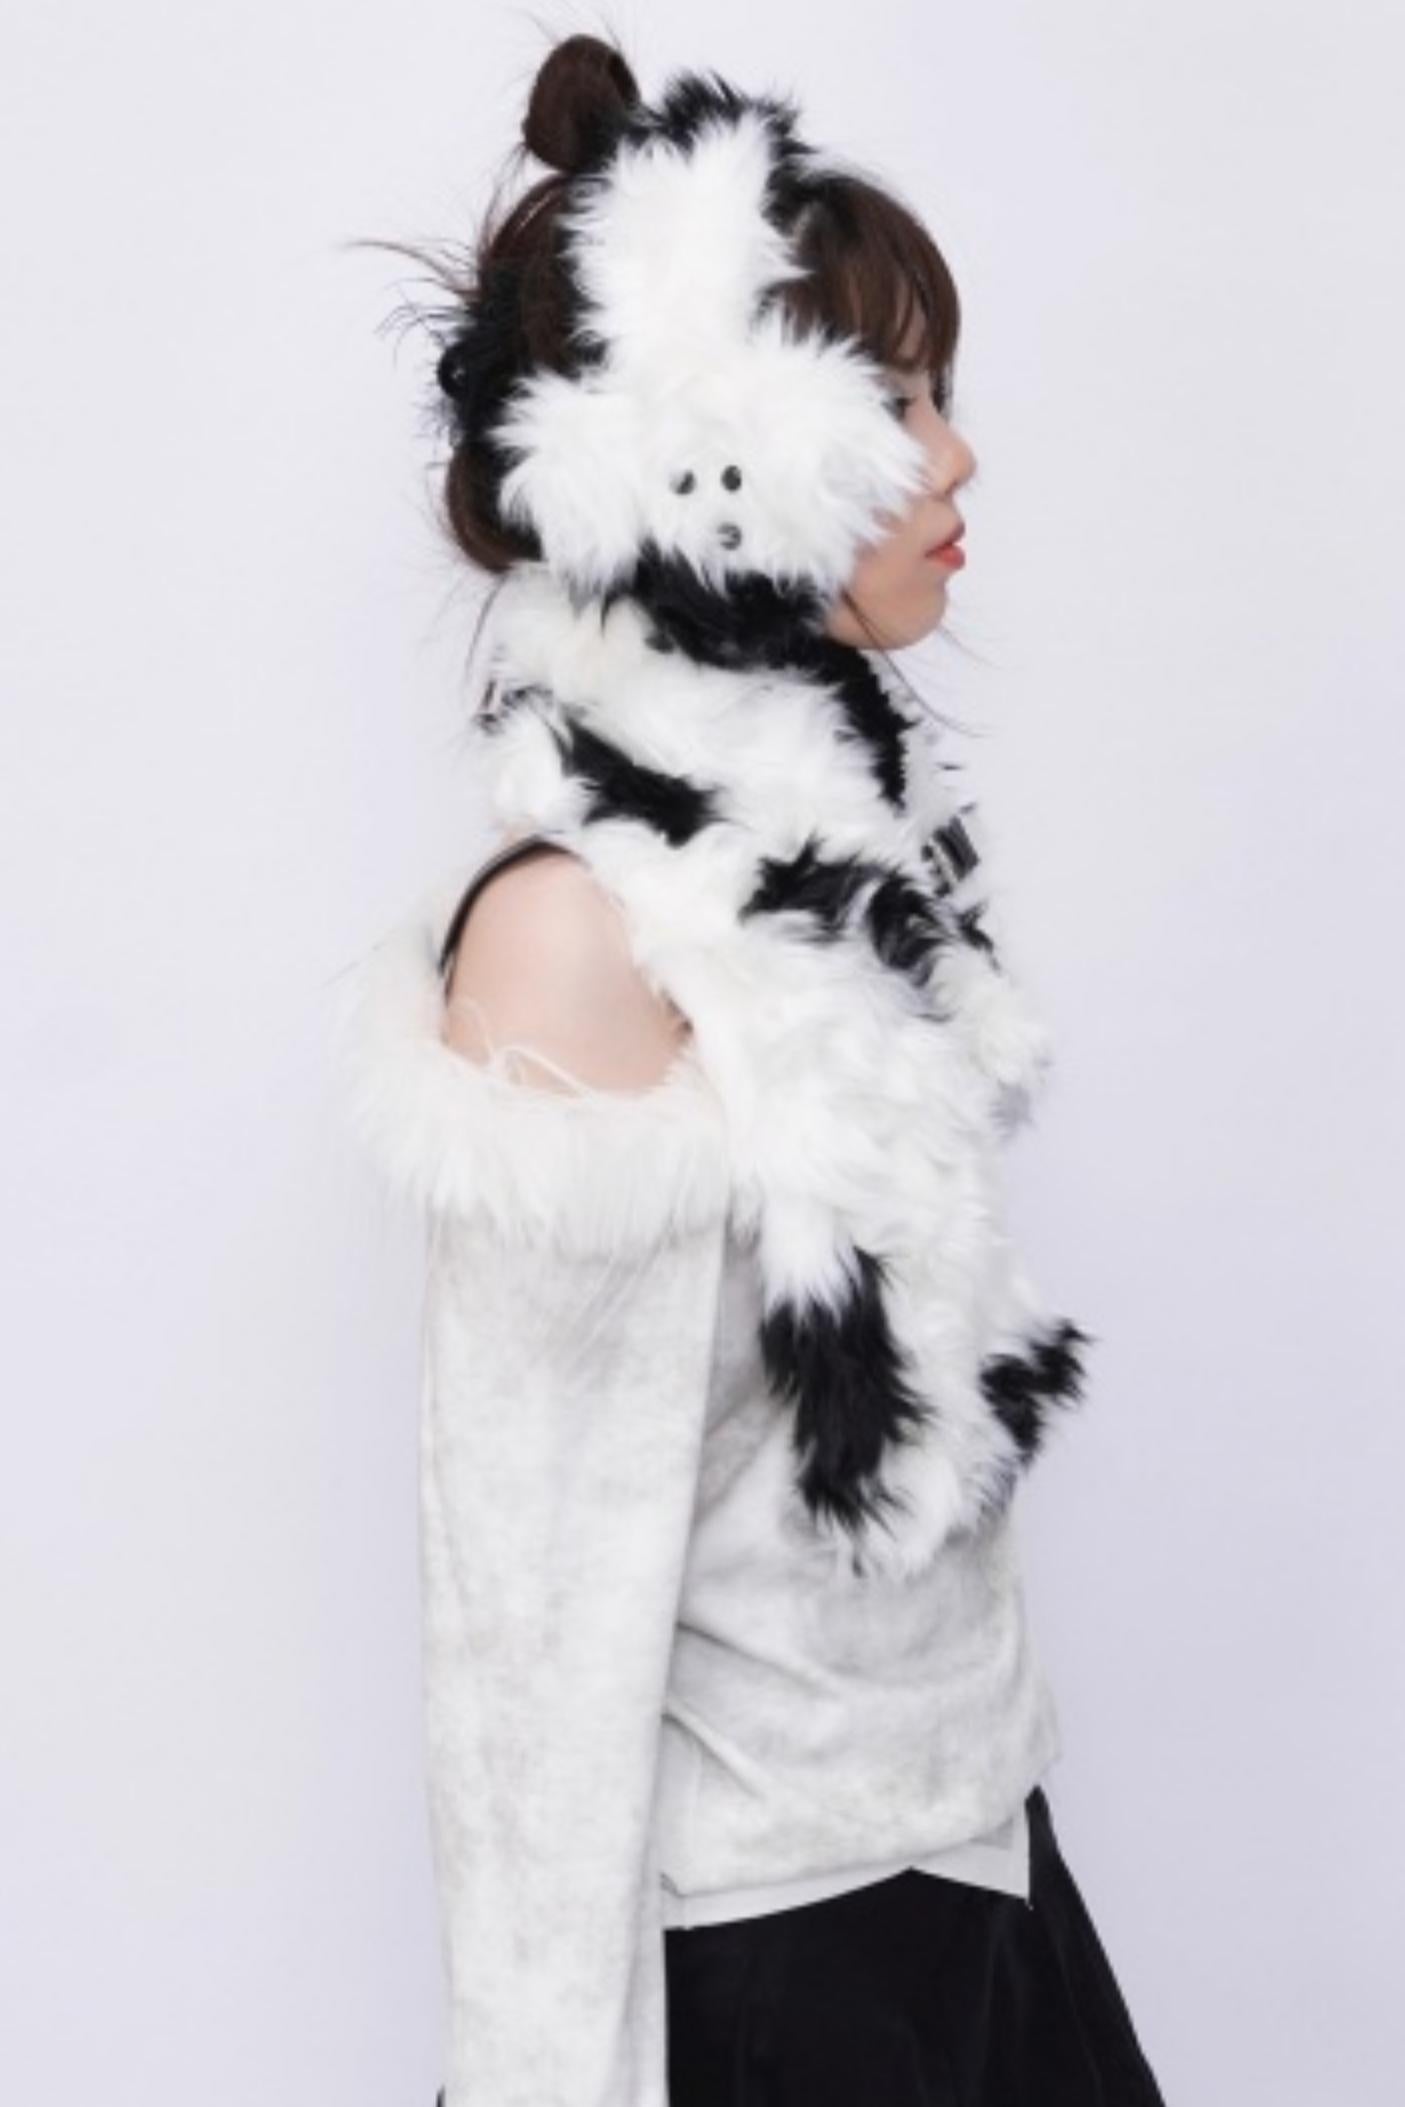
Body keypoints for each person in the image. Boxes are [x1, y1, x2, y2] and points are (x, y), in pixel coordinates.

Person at [336, 29, 1168, 2107]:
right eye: (898, 400)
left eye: (943, 393)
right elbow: (529, 1621)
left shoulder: (837, 867)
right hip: (771, 1965)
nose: (956, 462)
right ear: (720, 453)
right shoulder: (575, 934)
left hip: (975, 1857)